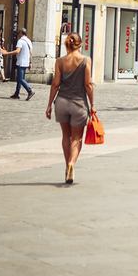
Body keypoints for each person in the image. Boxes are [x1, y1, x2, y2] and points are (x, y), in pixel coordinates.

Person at [45, 32, 95, 185]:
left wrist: (49, 105)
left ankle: (67, 165)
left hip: (61, 103)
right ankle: (72, 163)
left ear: (67, 44)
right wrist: (92, 104)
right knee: (76, 138)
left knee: (65, 136)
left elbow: (55, 84)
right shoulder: (86, 60)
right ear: (80, 44)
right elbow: (88, 84)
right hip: (78, 104)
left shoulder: (60, 61)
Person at [4, 27, 34, 100]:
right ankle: (17, 93)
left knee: (20, 79)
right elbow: (31, 53)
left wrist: (7, 53)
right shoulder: (28, 41)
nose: (17, 34)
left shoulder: (20, 41)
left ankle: (30, 90)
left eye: (18, 33)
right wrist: (30, 62)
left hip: (21, 62)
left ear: (21, 33)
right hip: (26, 62)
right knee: (20, 79)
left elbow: (17, 51)